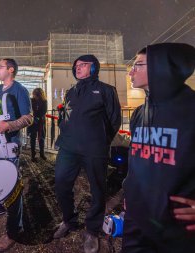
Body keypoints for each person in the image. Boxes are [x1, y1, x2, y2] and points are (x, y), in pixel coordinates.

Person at [122, 43, 195, 253]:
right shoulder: (139, 114)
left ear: (161, 67)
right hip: (136, 224)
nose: (130, 72)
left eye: (138, 65)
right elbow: (137, 162)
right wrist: (130, 192)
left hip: (178, 233)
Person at [53, 55, 121, 253]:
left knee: (98, 191)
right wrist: (65, 132)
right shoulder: (71, 92)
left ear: (94, 68)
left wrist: (99, 140)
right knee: (61, 183)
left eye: (83, 65)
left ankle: (92, 230)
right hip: (68, 149)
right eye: (76, 65)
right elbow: (64, 116)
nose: (78, 68)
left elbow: (114, 121)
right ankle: (69, 220)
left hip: (94, 150)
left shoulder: (106, 90)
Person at [0, 58, 33, 251]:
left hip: (9, 143)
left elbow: (28, 118)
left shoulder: (20, 90)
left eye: (0, 67)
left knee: (12, 186)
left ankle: (13, 230)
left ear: (10, 70)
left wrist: (8, 125)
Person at [27, 87, 47, 162]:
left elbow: (44, 111)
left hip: (41, 122)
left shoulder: (44, 101)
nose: (36, 95)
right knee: (33, 138)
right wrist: (34, 117)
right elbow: (30, 110)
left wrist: (37, 117)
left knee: (41, 138)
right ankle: (33, 155)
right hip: (33, 122)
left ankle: (42, 153)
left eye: (37, 94)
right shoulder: (31, 100)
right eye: (35, 94)